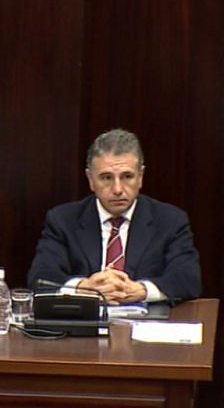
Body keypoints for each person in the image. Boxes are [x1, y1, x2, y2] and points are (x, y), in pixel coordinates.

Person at [27, 129, 201, 304]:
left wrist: (142, 290)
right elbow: (41, 277)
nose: (117, 189)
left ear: (140, 177)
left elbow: (187, 279)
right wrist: (82, 288)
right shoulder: (63, 220)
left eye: (127, 176)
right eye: (106, 178)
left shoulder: (170, 221)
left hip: (146, 319)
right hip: (85, 318)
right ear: (90, 179)